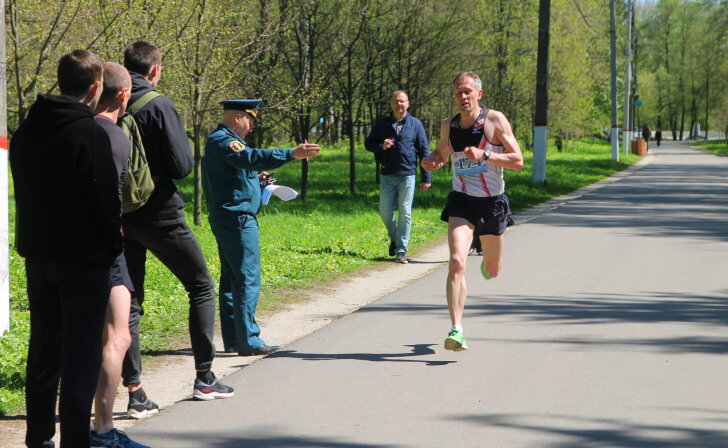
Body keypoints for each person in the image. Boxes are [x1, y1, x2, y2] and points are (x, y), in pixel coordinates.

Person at [10, 50, 121, 448]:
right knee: (80, 355)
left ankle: (38, 436)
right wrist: (112, 245)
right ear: (95, 87)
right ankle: (76, 440)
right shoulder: (90, 133)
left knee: (43, 348)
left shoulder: (25, 132)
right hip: (84, 258)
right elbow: (106, 200)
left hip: (39, 255)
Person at [121, 41, 233, 413]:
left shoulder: (109, 102)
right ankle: (204, 378)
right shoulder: (159, 105)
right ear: (153, 70)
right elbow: (183, 166)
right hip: (162, 216)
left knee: (130, 301)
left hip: (122, 216)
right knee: (200, 286)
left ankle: (135, 392)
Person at [202, 99, 321, 355]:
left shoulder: (222, 141)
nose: (252, 127)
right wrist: (290, 153)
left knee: (233, 278)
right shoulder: (225, 140)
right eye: (250, 120)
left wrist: (256, 180)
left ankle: (236, 338)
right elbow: (249, 157)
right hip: (237, 219)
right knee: (246, 277)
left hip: (231, 215)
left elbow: (236, 172)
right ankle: (249, 340)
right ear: (237, 118)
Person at [422, 71, 523, 352]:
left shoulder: (494, 120)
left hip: (492, 204)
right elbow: (441, 153)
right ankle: (457, 329)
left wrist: (486, 155)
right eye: (458, 93)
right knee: (456, 261)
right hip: (462, 202)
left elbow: (518, 161)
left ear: (478, 94)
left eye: (467, 91)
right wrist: (431, 161)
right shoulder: (449, 125)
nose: (463, 97)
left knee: (493, 269)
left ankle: (484, 250)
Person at [91, 62, 149, 448]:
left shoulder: (71, 129)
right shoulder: (113, 135)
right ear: (124, 94)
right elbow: (116, 200)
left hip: (60, 248)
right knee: (118, 335)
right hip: (105, 248)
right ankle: (103, 429)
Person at [365, 90, 431, 264]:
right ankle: (395, 238)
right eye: (395, 101)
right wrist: (382, 146)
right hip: (387, 174)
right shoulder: (382, 124)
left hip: (407, 175)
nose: (399, 104)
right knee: (385, 212)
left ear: (408, 104)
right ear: (391, 104)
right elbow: (368, 144)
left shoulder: (415, 124)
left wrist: (426, 177)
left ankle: (401, 250)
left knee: (405, 212)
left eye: (402, 101)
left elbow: (424, 151)